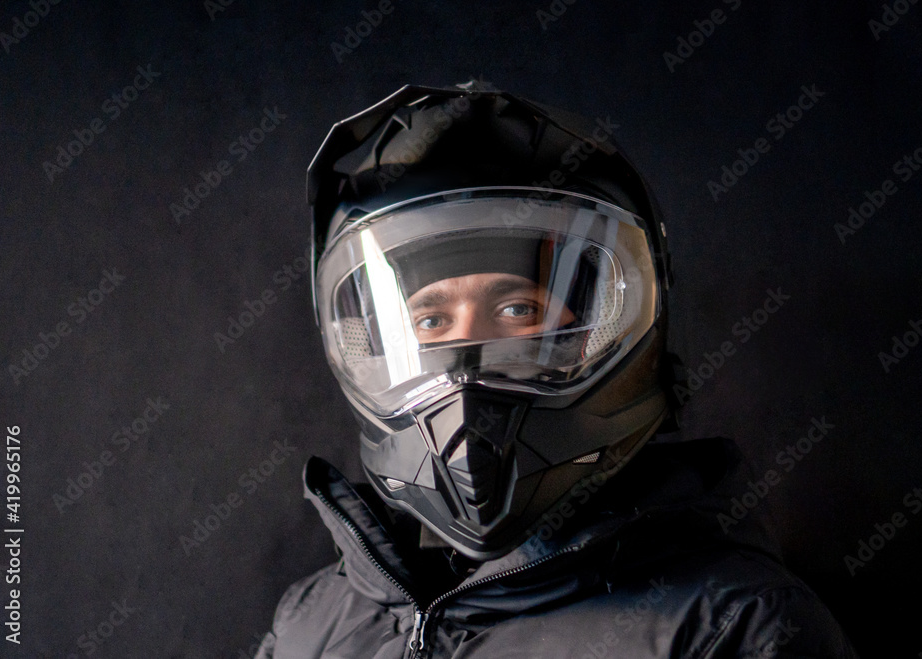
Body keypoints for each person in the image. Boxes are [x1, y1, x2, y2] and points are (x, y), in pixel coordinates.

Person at [255, 80, 860, 658]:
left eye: (519, 309)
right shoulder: (315, 619)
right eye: (431, 321)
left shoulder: (737, 629)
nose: (466, 370)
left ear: (620, 323)